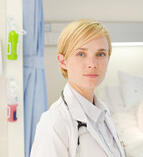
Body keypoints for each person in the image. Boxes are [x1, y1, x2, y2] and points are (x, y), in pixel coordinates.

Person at [31, 20, 126, 157]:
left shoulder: (103, 112)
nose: (92, 64)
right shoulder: (54, 122)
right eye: (81, 54)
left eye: (100, 54)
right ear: (63, 61)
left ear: (108, 59)